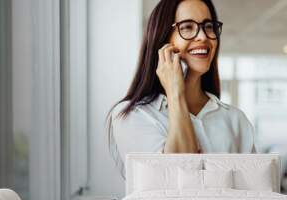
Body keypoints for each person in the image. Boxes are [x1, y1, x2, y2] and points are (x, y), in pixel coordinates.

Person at [106, 0, 256, 178]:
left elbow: (253, 193)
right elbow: (179, 178)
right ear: (162, 41)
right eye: (187, 27)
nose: (203, 37)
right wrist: (175, 93)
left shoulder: (235, 119)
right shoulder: (133, 115)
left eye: (208, 26)